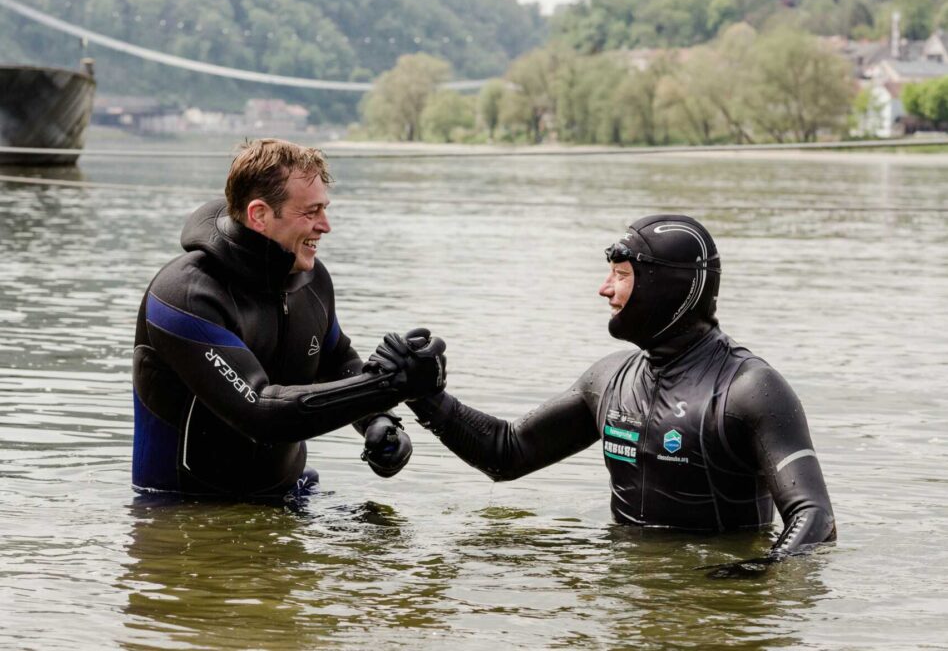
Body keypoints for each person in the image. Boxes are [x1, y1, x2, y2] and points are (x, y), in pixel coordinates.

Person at [369, 215, 836, 566]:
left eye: (621, 275)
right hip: (629, 586)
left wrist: (752, 580)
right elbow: (507, 453)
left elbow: (814, 518)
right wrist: (426, 397)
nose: (604, 289)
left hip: (712, 593)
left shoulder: (749, 389)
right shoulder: (610, 379)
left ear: (666, 288)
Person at [131, 138, 445, 499]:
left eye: (325, 209)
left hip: (291, 496)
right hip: (185, 512)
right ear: (259, 215)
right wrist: (390, 385)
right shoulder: (184, 297)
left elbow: (338, 361)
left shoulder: (312, 280)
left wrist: (379, 419)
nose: (325, 226)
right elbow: (261, 413)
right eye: (310, 213)